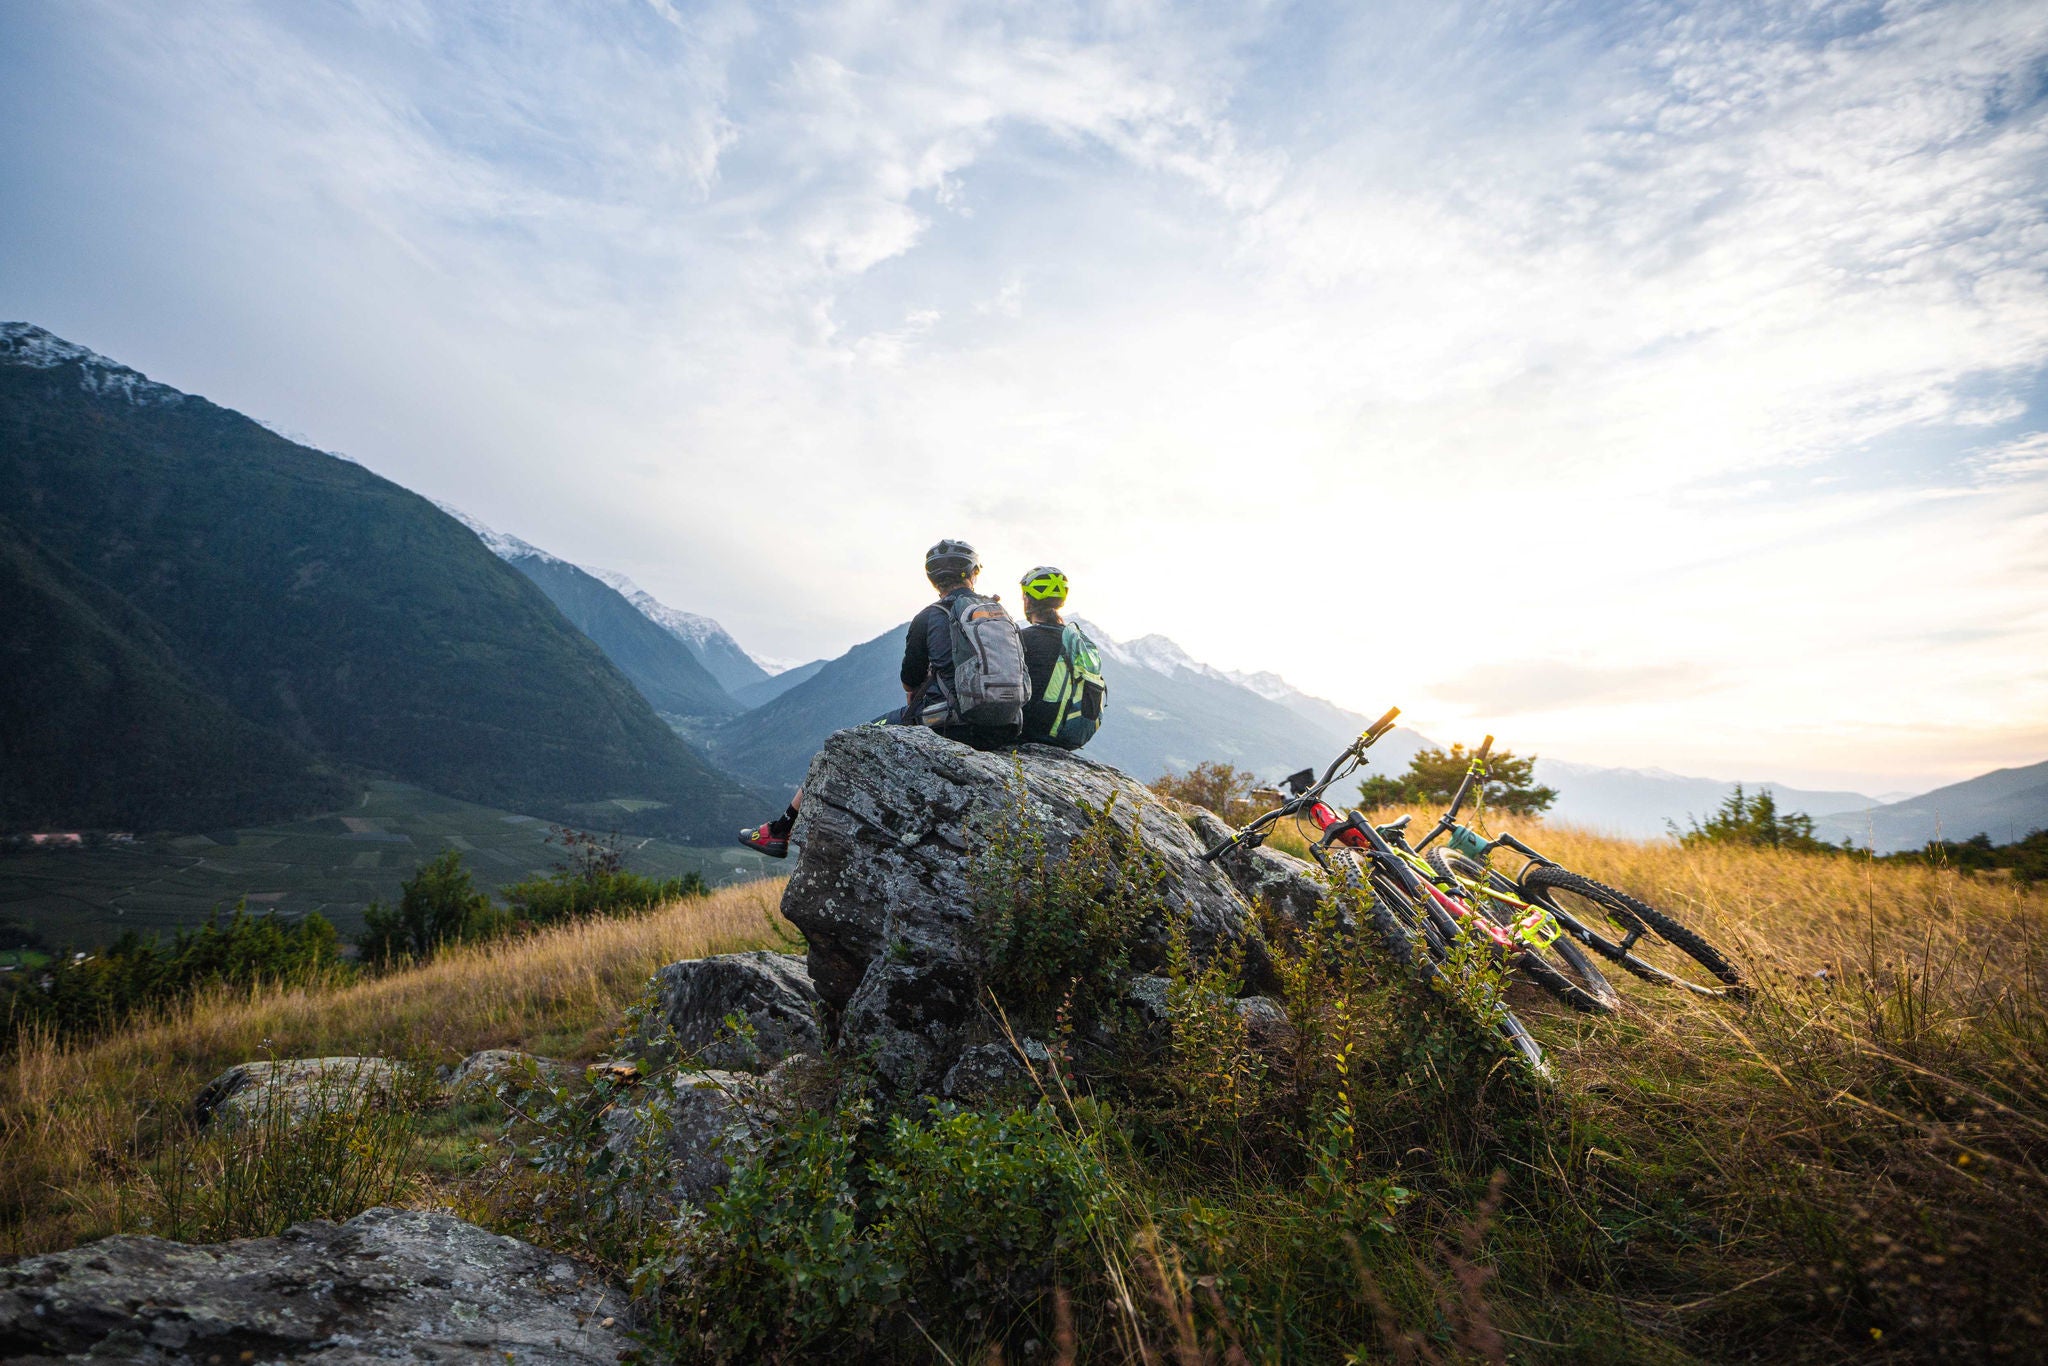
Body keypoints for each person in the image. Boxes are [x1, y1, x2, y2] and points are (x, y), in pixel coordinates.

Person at [739, 539, 1026, 858]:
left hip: (951, 726)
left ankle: (780, 830)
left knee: (845, 745)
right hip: (1006, 726)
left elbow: (911, 685)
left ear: (932, 579)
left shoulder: (929, 617)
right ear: (974, 572)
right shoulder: (1001, 616)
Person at [1016, 566, 1106, 749]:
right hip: (1066, 733)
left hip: (1030, 731)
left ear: (1027, 600)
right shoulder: (1076, 640)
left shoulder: (1021, 638)